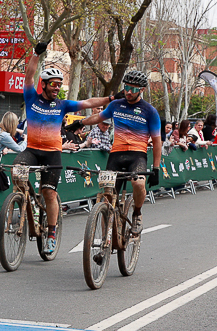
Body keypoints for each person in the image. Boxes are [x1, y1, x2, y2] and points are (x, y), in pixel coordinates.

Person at [17, 41, 115, 254]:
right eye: (53, 84)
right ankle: (28, 202)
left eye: (59, 85)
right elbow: (29, 76)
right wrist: (36, 54)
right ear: (44, 84)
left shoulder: (62, 105)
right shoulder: (31, 97)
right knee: (17, 173)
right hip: (32, 150)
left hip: (52, 153)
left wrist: (111, 98)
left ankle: (51, 233)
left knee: (49, 193)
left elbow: (88, 102)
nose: (57, 88)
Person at [70, 69, 163, 239]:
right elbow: (98, 118)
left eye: (133, 89)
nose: (128, 92)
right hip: (116, 154)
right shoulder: (116, 105)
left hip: (137, 155)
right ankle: (105, 241)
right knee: (107, 197)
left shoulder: (149, 111)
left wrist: (156, 168)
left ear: (142, 90)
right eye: (126, 87)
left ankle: (137, 213)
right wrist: (79, 122)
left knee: (138, 183)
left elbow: (157, 142)